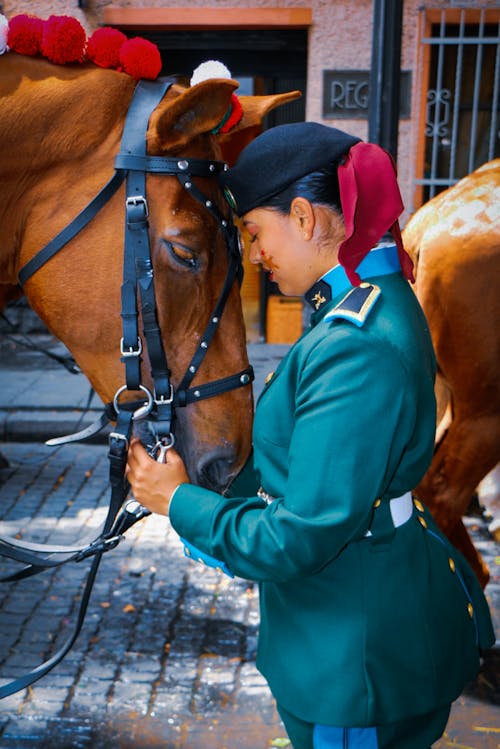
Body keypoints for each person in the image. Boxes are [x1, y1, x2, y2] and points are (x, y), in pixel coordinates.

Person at [125, 122, 495, 749]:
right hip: (357, 621)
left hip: (352, 659)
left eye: (254, 233)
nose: (256, 255)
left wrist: (179, 502)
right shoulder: (363, 300)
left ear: (303, 216)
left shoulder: (355, 344)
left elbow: (300, 534)